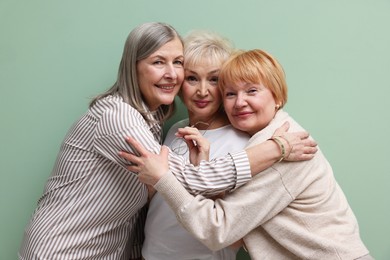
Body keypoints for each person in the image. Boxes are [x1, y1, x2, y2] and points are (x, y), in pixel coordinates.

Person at [18, 22, 315, 259]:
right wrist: (278, 148)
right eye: (159, 62)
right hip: (62, 251)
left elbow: (142, 202)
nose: (173, 75)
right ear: (133, 67)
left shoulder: (157, 126)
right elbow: (174, 186)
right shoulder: (125, 119)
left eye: (177, 63)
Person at [123, 49, 372, 259]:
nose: (239, 102)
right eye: (231, 94)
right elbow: (236, 229)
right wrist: (204, 169)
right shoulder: (261, 142)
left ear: (277, 97)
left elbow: (217, 230)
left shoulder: (282, 150)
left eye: (251, 91)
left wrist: (162, 178)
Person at [142, 30, 248, 260]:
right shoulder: (174, 130)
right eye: (192, 78)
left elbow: (234, 230)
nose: (202, 91)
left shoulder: (241, 142)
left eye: (214, 79)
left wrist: (206, 176)